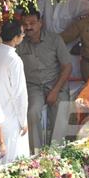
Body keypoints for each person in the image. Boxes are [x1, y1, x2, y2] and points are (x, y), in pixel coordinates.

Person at [17, 8, 72, 150]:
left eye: (32, 23)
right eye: (25, 23)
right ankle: (36, 154)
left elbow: (67, 67)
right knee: (32, 112)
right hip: (33, 86)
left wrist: (55, 90)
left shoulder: (54, 40)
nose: (28, 27)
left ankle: (56, 152)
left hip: (56, 83)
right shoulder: (19, 42)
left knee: (61, 111)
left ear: (41, 22)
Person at [0, 21, 30, 163]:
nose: (23, 36)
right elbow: (20, 94)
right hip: (9, 116)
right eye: (22, 34)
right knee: (12, 161)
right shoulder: (14, 59)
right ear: (16, 38)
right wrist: (23, 121)